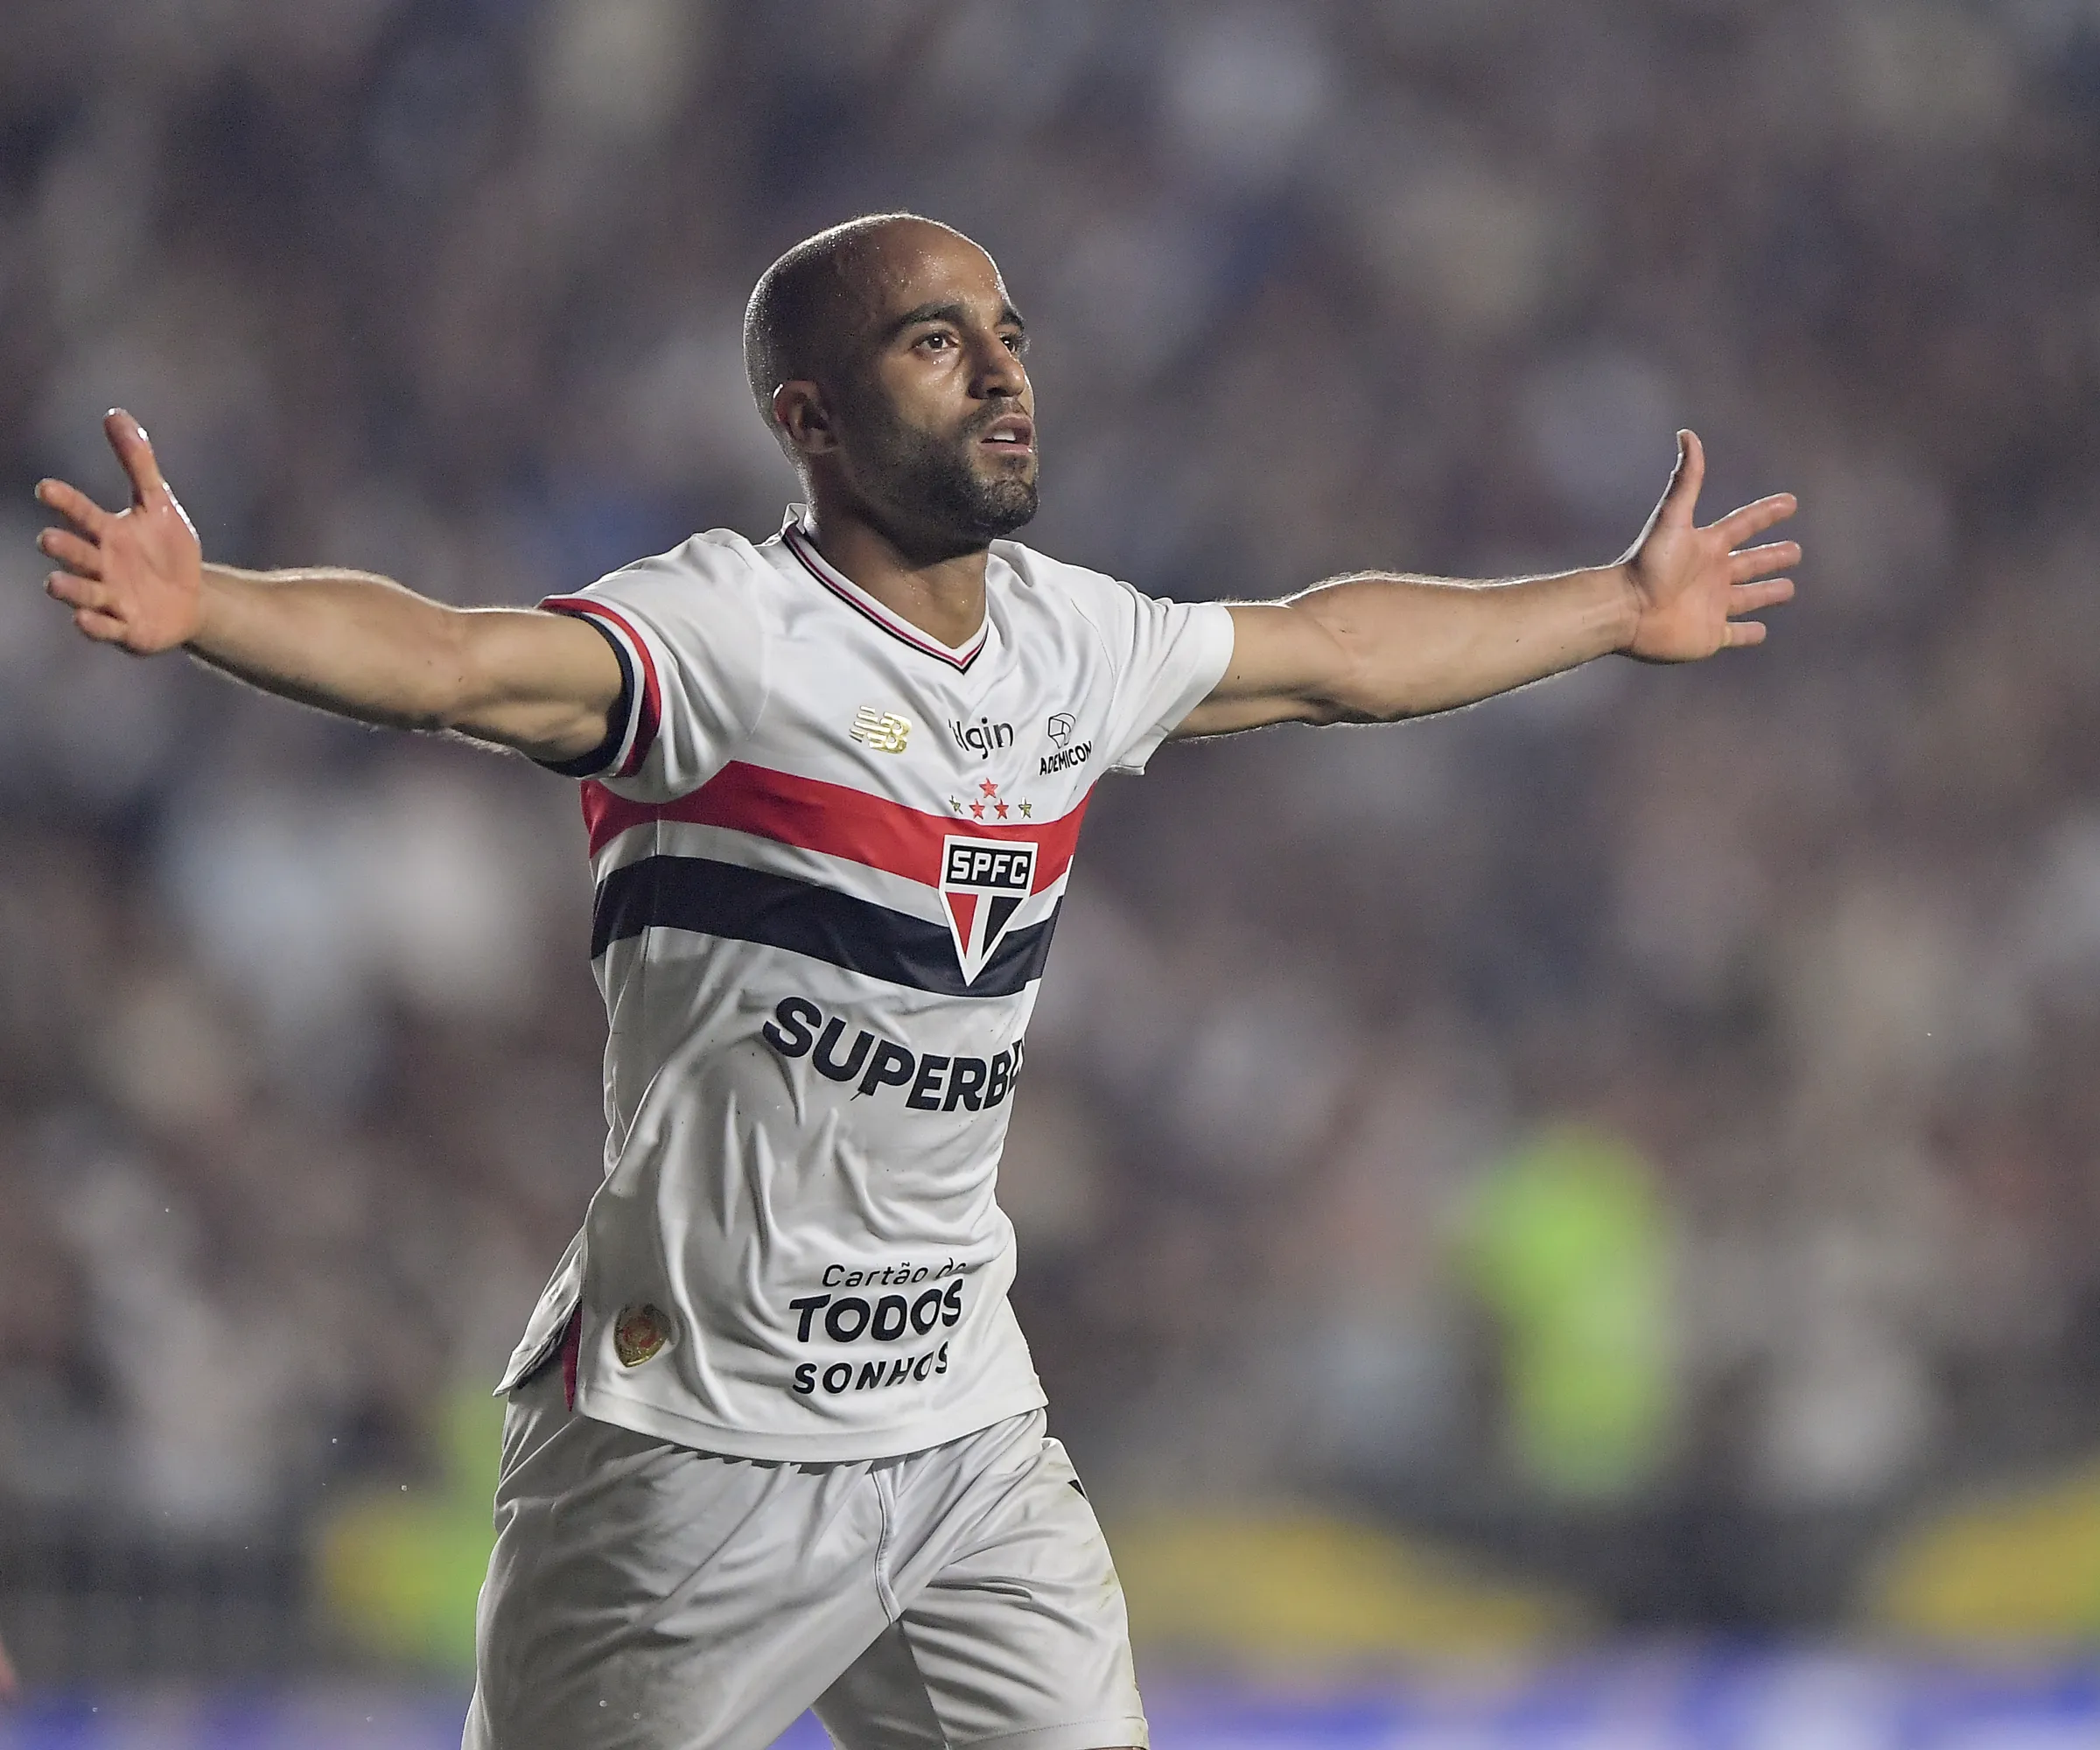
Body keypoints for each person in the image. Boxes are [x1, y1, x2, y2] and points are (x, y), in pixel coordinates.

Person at [32, 214, 1798, 1750]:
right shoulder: (727, 639)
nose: (1001, 372)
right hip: (687, 1447)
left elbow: (1333, 650)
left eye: (1011, 335)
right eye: (935, 341)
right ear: (809, 416)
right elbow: (453, 662)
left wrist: (1613, 606)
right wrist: (215, 608)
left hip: (960, 1426)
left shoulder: (1070, 638)